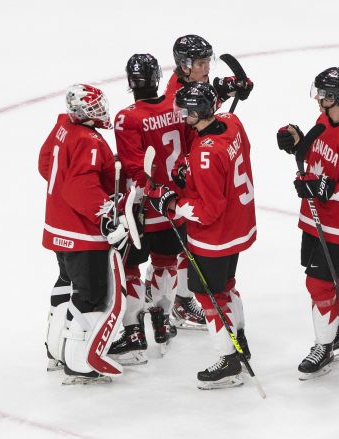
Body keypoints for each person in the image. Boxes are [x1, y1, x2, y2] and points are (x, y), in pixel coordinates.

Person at [145, 81, 257, 389]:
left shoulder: (205, 154)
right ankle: (239, 342)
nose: (181, 115)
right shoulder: (232, 124)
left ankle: (229, 361)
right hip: (239, 225)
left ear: (197, 112)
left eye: (185, 110)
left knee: (209, 295)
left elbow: (207, 211)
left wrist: (173, 203)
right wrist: (189, 173)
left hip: (215, 236)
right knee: (226, 286)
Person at [276, 67, 339, 379]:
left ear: (334, 97)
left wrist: (326, 189)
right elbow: (317, 155)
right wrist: (296, 144)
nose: (317, 99)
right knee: (324, 281)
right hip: (313, 217)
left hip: (338, 224)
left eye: (322, 94)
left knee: (318, 284)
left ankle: (325, 346)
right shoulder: (324, 121)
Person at [40, 84, 131, 384]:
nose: (100, 112)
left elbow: (46, 165)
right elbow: (80, 187)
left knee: (67, 283)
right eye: (93, 109)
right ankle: (79, 363)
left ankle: (56, 349)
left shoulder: (63, 128)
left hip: (58, 225)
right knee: (90, 294)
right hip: (81, 232)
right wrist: (105, 217)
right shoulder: (89, 141)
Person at [162, 34, 254, 331]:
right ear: (185, 66)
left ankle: (181, 295)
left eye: (207, 61)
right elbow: (197, 108)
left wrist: (229, 87)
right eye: (201, 63)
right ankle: (180, 298)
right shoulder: (176, 97)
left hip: (199, 171)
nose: (207, 68)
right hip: (187, 173)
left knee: (192, 242)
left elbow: (204, 99)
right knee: (186, 243)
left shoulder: (191, 91)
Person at [109, 54, 190, 365]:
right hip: (173, 205)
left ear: (131, 82)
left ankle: (133, 333)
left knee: (130, 268)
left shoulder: (126, 118)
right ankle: (162, 320)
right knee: (166, 262)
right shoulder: (177, 106)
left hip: (141, 208)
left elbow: (133, 166)